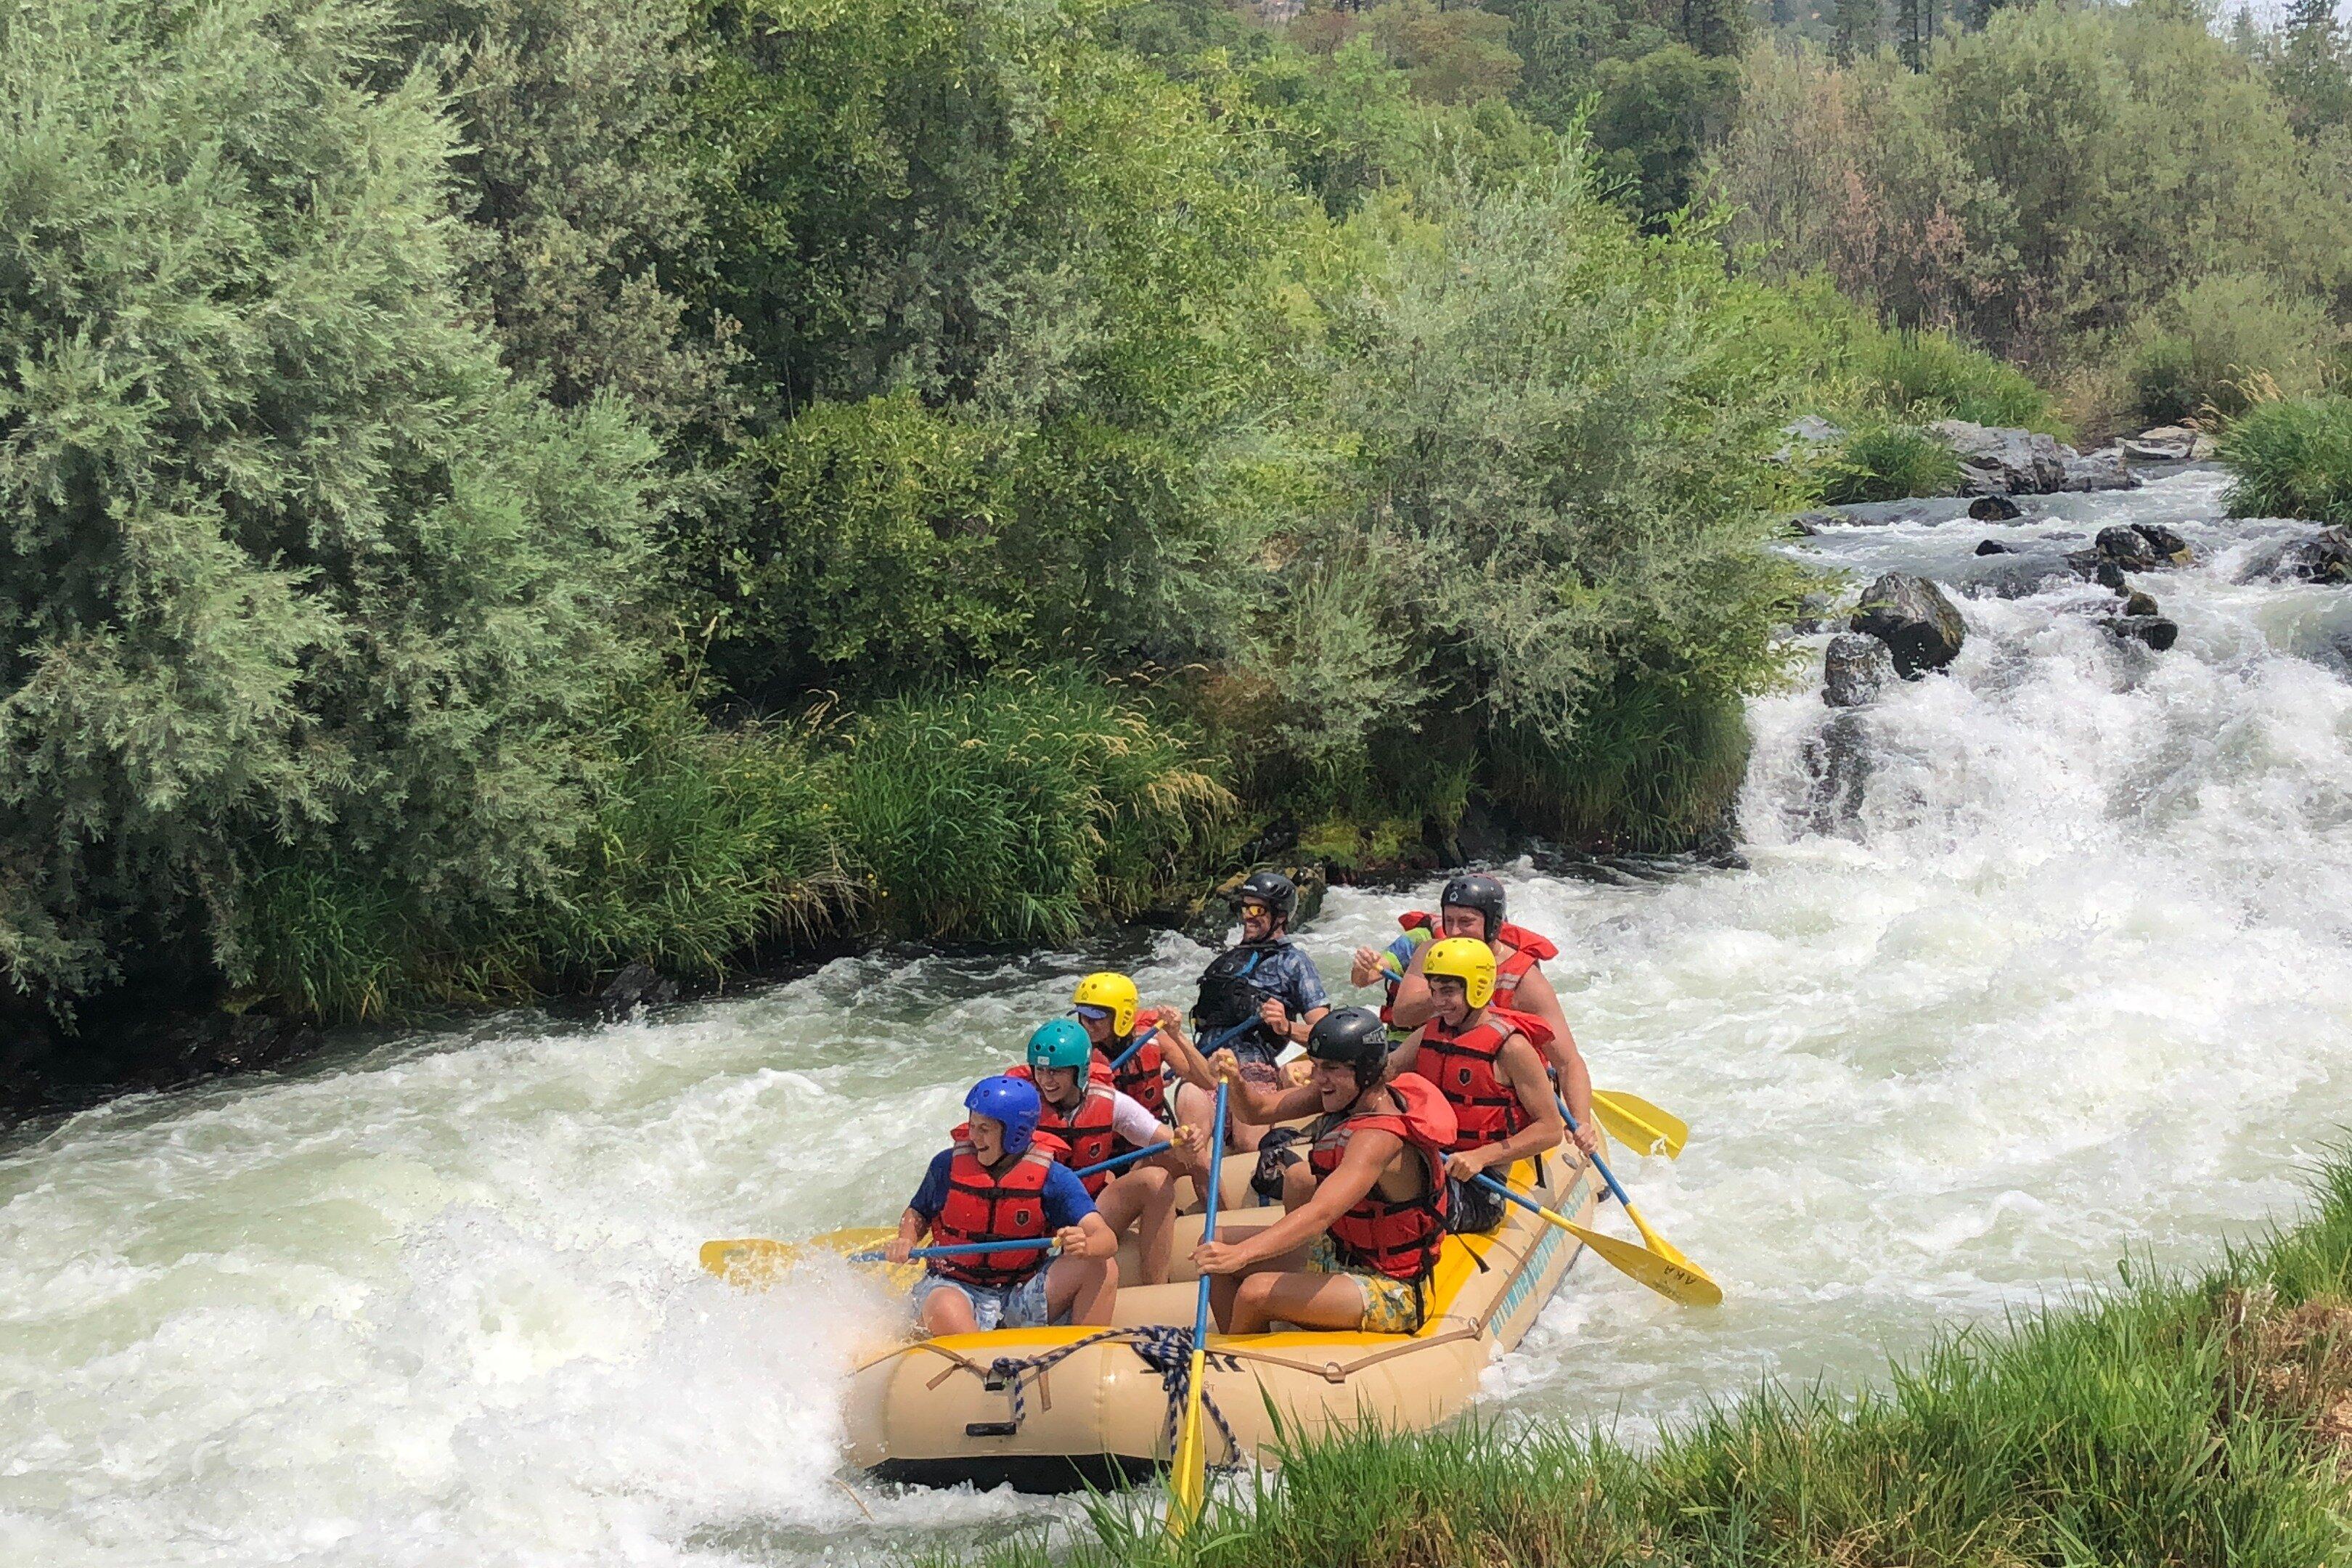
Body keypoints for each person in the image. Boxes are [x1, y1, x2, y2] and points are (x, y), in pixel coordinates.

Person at [1188, 1008, 1456, 1334]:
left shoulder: (1379, 1138)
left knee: (1255, 1291)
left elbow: (1320, 1213)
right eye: (1316, 1067)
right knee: (1212, 1241)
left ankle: (1237, 1366)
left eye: (1329, 1069)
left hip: (1392, 1287)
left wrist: (1241, 1255)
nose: (1318, 1078)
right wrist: (1236, 1080)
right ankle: (1235, 1342)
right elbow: (1257, 1110)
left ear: (1367, 1072)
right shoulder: (1347, 1094)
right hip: (1344, 1253)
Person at [1353, 873, 1599, 1154]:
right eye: (1449, 921)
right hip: (1436, 1076)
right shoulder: (1433, 953)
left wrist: (1580, 1121)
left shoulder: (1525, 980)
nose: (1454, 932)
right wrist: (1455, 989)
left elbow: (1567, 1062)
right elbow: (1403, 1015)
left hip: (1496, 1092)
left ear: (1493, 924)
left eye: (1466, 922)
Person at [889, 1074, 1119, 1335]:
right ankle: (982, 1367)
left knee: (1102, 1265)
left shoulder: (1053, 1177)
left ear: (1015, 1134)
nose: (974, 1137)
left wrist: (1087, 1244)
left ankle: (1083, 1356)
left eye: (984, 1129)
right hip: (953, 1286)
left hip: (1019, 1292)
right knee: (944, 1306)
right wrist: (906, 1239)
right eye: (972, 1125)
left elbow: (1107, 1239)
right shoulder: (946, 1166)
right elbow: (917, 1212)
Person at [1386, 938, 1567, 1235]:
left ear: (1477, 988)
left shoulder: (1512, 1049)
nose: (1438, 1001)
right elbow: (1386, 1071)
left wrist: (1481, 1157)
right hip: (1434, 1164)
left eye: (1448, 991)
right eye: (1433, 991)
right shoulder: (1429, 1033)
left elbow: (1550, 1129)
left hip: (1482, 1189)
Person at [1012, 1019, 1207, 1286]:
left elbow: (1162, 1138)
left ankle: (1156, 1287)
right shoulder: (1019, 1107)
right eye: (1041, 1070)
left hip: (1088, 1214)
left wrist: (1185, 1140)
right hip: (1032, 1216)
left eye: (1056, 1072)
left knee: (1156, 1179)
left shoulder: (1108, 1102)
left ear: (1078, 1072)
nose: (1046, 1080)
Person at [1175, 870, 1330, 1153]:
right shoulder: (1226, 961)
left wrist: (1286, 1027)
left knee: (1248, 1141)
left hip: (1252, 1071)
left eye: (1257, 908)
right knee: (1189, 1101)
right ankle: (1198, 1175)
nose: (1248, 915)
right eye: (1244, 907)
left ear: (1280, 916)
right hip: (1206, 1067)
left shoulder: (1294, 962)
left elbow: (1327, 1035)